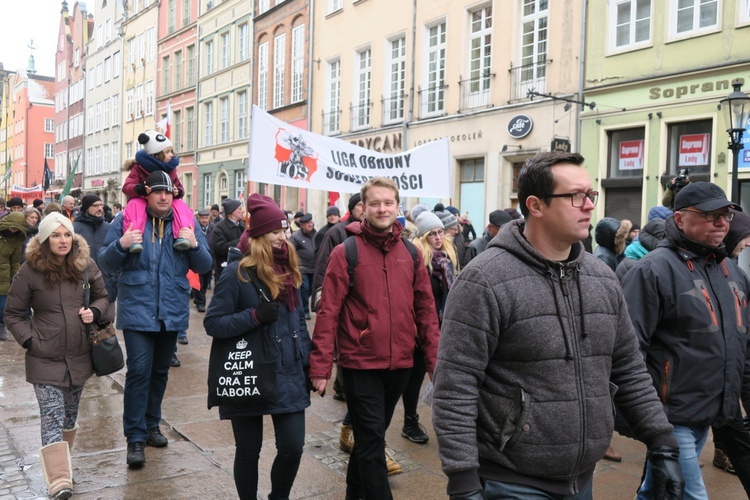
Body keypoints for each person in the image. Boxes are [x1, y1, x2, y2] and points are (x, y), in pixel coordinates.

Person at [432, 152, 683, 500]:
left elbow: (628, 369)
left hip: (582, 479)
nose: (589, 206)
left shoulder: (602, 278)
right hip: (511, 481)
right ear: (536, 205)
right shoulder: (484, 279)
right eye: (576, 196)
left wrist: (662, 442)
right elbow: (455, 385)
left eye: (591, 195)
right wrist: (462, 479)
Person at [309, 177, 440, 500]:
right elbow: (328, 312)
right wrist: (320, 366)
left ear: (398, 207)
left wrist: (435, 363)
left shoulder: (410, 253)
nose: (382, 208)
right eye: (375, 203)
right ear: (363, 209)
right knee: (372, 443)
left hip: (401, 365)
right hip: (360, 363)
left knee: (369, 438)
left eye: (388, 203)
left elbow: (426, 311)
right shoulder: (346, 251)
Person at [622, 182, 750, 499]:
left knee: (658, 491)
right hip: (670, 416)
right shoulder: (652, 270)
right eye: (710, 215)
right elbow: (626, 351)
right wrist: (649, 422)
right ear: (680, 219)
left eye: (726, 215)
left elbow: (743, 350)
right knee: (692, 495)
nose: (722, 222)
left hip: (710, 412)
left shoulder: (732, 273)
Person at [98, 170, 212, 469]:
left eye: (169, 192)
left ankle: (151, 425)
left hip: (171, 310)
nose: (164, 197)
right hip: (138, 309)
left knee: (160, 372)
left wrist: (196, 244)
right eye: (158, 192)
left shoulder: (185, 223)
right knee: (139, 371)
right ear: (146, 194)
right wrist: (121, 244)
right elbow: (104, 262)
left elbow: (205, 265)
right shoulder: (126, 219)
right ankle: (135, 438)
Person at [204, 193, 310, 500]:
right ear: (259, 235)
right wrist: (254, 316)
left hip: (288, 370)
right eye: (275, 232)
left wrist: (309, 360)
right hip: (248, 370)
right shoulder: (236, 272)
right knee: (249, 451)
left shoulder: (289, 268)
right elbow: (213, 323)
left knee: (292, 447)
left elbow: (299, 321)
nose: (282, 237)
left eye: (284, 230)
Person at [5, 212, 112, 499]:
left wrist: (96, 311)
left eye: (66, 234)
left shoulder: (86, 265)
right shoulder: (29, 271)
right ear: (44, 239)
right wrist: (29, 341)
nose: (62, 240)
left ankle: (61, 466)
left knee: (68, 416)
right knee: (51, 416)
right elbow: (14, 313)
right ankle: (60, 481)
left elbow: (104, 297)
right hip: (44, 356)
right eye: (55, 235)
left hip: (80, 355)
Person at [400, 211, 457, 445]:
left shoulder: (447, 259)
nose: (437, 237)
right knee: (414, 378)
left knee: (435, 375)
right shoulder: (418, 261)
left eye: (440, 232)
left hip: (441, 328)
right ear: (423, 237)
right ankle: (409, 421)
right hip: (418, 329)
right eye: (432, 234)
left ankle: (443, 421)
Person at [122, 131, 193, 253]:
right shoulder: (138, 167)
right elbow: (127, 187)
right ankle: (135, 238)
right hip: (144, 199)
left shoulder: (171, 169)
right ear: (156, 155)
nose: (171, 155)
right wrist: (140, 189)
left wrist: (178, 191)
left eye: (171, 151)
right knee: (135, 205)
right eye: (167, 152)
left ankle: (182, 235)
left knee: (180, 206)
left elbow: (179, 187)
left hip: (165, 201)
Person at [73, 194, 117, 303]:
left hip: (107, 282)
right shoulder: (74, 227)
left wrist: (115, 277)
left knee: (107, 318)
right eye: (95, 205)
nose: (99, 208)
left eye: (101, 205)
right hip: (82, 281)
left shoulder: (109, 228)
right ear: (87, 208)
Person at [0, 212, 27, 341]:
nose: (13, 230)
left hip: (4, 276)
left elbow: (15, 262)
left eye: (17, 229)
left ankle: (1, 324)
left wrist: (18, 278)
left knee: (3, 307)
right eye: (12, 227)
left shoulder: (17, 240)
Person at [289, 213, 316, 319]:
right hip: (302, 268)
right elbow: (291, 250)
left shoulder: (316, 234)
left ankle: (302, 306)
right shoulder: (296, 237)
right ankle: (305, 311)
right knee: (304, 288)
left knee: (311, 290)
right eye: (307, 223)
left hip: (314, 267)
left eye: (311, 222)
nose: (310, 225)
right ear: (302, 225)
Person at [212, 198, 245, 283]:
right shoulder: (220, 227)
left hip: (242, 268)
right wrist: (241, 240)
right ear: (232, 211)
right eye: (240, 209)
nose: (243, 211)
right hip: (225, 269)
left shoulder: (243, 226)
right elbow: (220, 248)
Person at [192, 209, 214, 313]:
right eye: (203, 218)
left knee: (206, 282)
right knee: (199, 281)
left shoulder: (213, 228)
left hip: (210, 258)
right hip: (198, 258)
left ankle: (200, 297)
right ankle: (200, 302)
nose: (205, 220)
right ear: (198, 218)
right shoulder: (195, 229)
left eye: (206, 218)